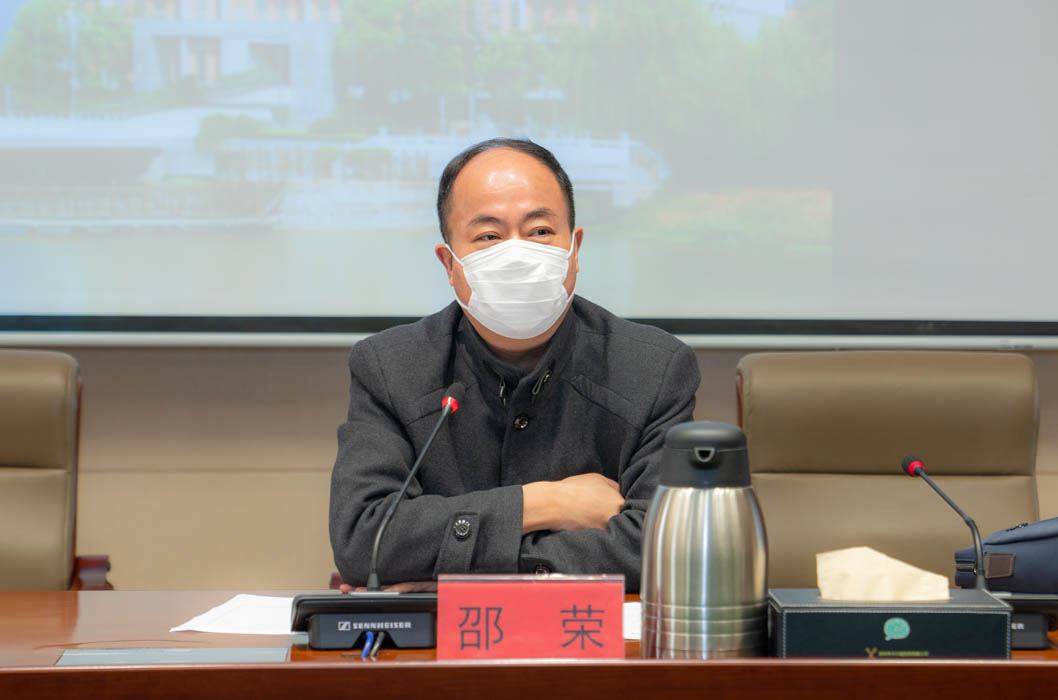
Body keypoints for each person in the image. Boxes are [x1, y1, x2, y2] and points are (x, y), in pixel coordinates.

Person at [329, 138, 699, 592]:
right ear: (449, 264)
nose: (518, 254)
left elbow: (662, 547)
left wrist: (454, 571)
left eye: (540, 231)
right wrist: (545, 502)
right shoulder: (391, 367)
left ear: (575, 250)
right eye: (488, 236)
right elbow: (364, 541)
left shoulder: (653, 369)